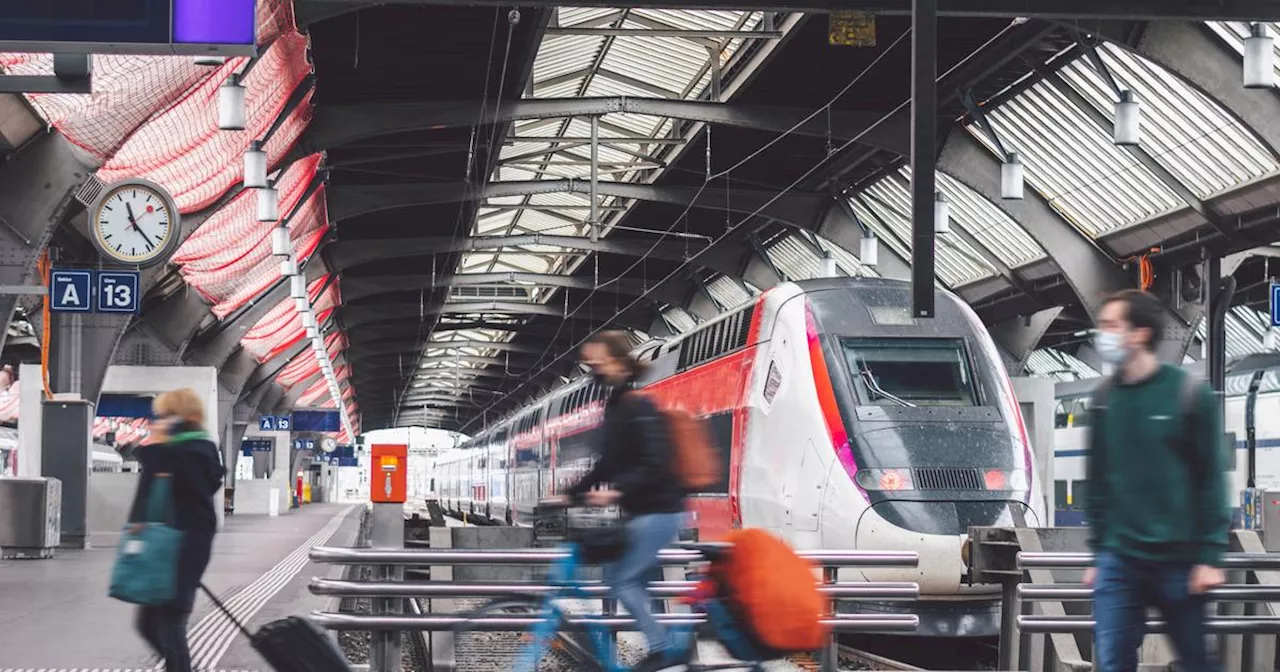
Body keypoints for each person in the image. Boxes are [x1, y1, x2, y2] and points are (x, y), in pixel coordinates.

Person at [1083, 290, 1229, 672]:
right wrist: (1099, 553)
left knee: (1197, 662)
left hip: (1179, 561)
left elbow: (1210, 480)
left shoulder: (1188, 395)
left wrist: (1210, 556)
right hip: (1119, 561)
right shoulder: (1103, 400)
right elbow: (1097, 482)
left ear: (1140, 334)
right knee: (1113, 662)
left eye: (1113, 326)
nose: (1103, 335)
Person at [556, 330, 688, 672]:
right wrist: (570, 493)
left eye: (598, 358)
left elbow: (654, 462)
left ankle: (665, 649)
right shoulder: (614, 404)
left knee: (621, 579)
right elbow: (607, 463)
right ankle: (674, 647)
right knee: (633, 579)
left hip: (660, 509)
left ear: (617, 360)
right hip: (641, 510)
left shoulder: (637, 404)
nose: (592, 365)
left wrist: (617, 491)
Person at [126, 389, 225, 672]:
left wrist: (157, 445)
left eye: (166, 414)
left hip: (184, 546)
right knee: (147, 625)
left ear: (183, 417)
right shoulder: (177, 451)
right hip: (162, 545)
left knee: (170, 622)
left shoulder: (196, 451)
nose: (159, 420)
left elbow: (189, 486)